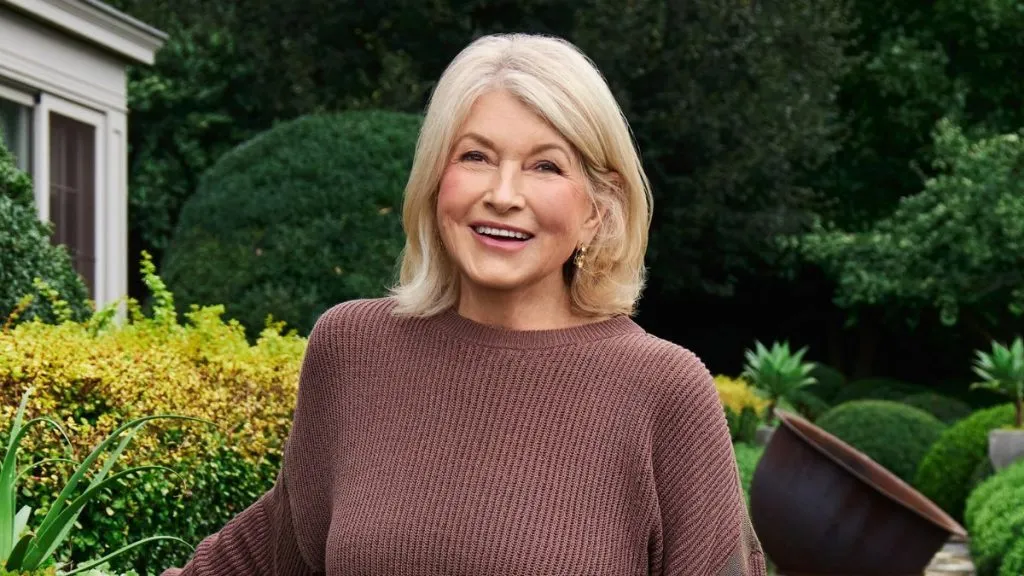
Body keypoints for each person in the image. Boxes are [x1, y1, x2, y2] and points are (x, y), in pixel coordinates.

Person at [161, 33, 765, 576]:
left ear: (598, 210)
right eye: (475, 157)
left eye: (546, 166)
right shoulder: (352, 349)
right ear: (434, 181)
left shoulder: (663, 389)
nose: (503, 194)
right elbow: (278, 550)